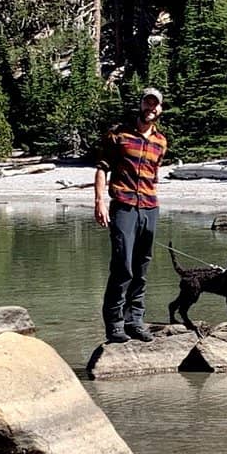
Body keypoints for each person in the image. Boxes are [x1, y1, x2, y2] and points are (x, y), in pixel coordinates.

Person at [94, 87, 168, 343]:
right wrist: (100, 202)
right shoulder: (119, 135)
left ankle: (135, 320)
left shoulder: (161, 141)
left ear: (160, 109)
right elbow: (103, 168)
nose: (151, 108)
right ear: (141, 105)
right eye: (147, 103)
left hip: (150, 207)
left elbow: (154, 176)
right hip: (124, 206)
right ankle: (114, 325)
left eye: (155, 105)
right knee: (122, 266)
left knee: (142, 267)